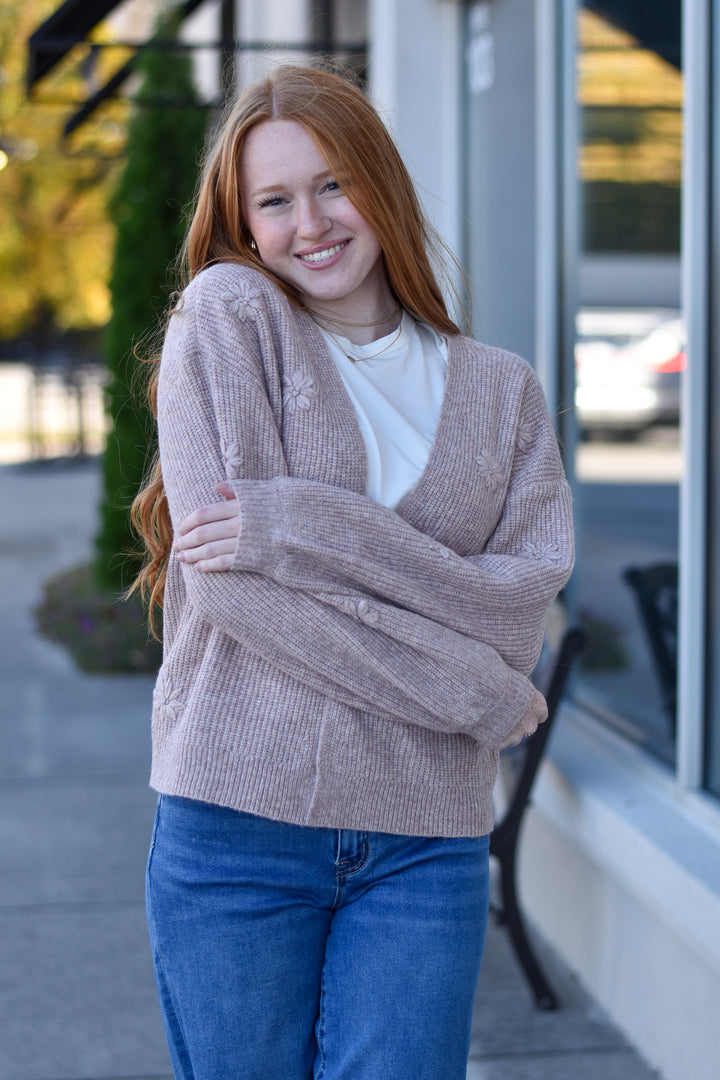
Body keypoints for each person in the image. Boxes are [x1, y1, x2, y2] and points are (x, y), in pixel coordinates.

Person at [131, 63, 574, 1080]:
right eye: (274, 202)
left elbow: (514, 612)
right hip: (236, 830)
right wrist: (470, 689)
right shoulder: (230, 320)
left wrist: (299, 524)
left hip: (424, 842)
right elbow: (235, 589)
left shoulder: (503, 393)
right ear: (244, 227)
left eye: (333, 183)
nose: (312, 223)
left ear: (382, 182)